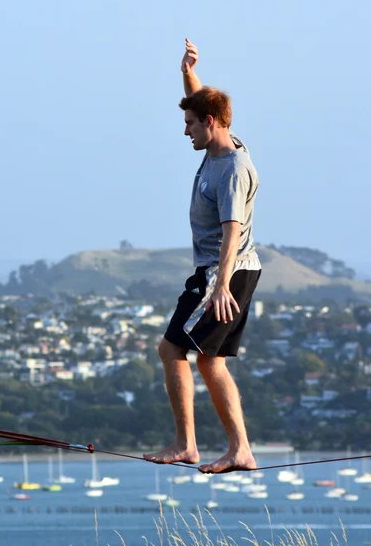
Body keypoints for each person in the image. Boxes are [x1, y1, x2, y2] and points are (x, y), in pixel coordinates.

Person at [143, 39, 261, 474]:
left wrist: (222, 285)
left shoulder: (231, 168)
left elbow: (232, 231)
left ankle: (185, 444)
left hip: (222, 272)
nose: (185, 130)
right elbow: (205, 105)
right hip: (227, 271)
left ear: (210, 123)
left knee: (171, 349)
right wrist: (188, 72)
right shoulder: (221, 145)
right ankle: (240, 449)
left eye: (191, 123)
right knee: (210, 361)